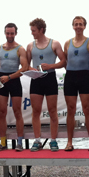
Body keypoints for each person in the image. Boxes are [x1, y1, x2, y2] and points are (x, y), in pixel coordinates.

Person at [26, 18, 66, 152]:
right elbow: (25, 65)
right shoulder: (30, 46)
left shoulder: (54, 43)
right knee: (35, 111)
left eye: (34, 30)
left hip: (50, 78)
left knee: (52, 110)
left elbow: (63, 61)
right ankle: (37, 140)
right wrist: (32, 69)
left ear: (41, 30)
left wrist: (50, 66)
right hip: (36, 79)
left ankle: (53, 140)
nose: (32, 33)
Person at [0, 23, 29, 152]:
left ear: (15, 33)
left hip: (14, 80)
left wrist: (9, 77)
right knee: (2, 112)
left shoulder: (20, 49)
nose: (10, 35)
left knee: (17, 112)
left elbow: (24, 68)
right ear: (5, 33)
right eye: (8, 33)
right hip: (2, 81)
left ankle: (19, 142)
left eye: (12, 33)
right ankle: (3, 142)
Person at [63, 17, 89, 151]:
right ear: (72, 26)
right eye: (76, 24)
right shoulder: (67, 43)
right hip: (70, 77)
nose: (78, 26)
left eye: (80, 24)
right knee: (70, 110)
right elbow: (65, 61)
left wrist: (88, 72)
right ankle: (69, 142)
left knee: (87, 109)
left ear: (84, 26)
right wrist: (71, 72)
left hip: (84, 76)